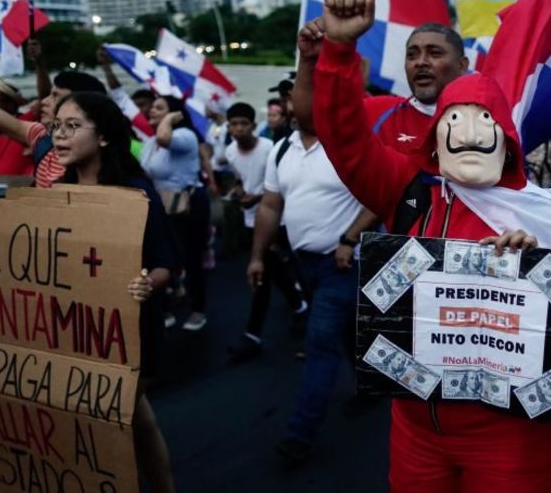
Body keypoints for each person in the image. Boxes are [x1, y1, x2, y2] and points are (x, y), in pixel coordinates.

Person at [309, 0, 551, 492]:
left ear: (507, 137)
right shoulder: (407, 187)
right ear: (434, 137)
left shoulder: (540, 214)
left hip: (507, 437)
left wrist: (537, 268)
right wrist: (338, 52)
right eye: (454, 120)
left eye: (482, 121)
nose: (468, 134)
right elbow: (344, 138)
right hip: (415, 428)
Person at [0, 93, 180, 490]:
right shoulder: (56, 194)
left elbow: (165, 265)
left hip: (125, 336)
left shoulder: (135, 195)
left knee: (109, 428)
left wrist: (145, 283)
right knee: (136, 419)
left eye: (72, 127)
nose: (59, 136)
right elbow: (26, 257)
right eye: (56, 127)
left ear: (103, 137)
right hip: (76, 333)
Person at [248, 38, 378, 465]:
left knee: (320, 340)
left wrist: (350, 238)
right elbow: (270, 205)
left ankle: (300, 433)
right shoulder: (281, 150)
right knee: (343, 332)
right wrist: (255, 255)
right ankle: (369, 383)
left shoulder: (348, 144)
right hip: (304, 262)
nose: (296, 102)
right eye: (291, 96)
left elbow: (379, 196)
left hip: (341, 262)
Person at [0, 60, 106, 188]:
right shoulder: (41, 137)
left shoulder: (126, 186)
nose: (44, 101)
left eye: (55, 96)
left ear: (102, 136)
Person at [221, 102, 304, 362]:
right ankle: (300, 307)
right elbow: (240, 179)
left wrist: (257, 198)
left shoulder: (270, 149)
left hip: (274, 221)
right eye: (233, 124)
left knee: (262, 276)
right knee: (272, 271)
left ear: (253, 126)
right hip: (250, 221)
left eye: (243, 123)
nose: (238, 129)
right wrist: (238, 191)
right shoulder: (230, 152)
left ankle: (253, 334)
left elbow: (278, 186)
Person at [141, 95, 212, 332]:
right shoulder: (150, 142)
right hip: (163, 205)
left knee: (192, 258)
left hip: (188, 204)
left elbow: (165, 137)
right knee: (162, 256)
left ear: (175, 114)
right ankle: (170, 302)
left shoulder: (185, 136)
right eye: (152, 107)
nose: (151, 110)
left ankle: (198, 310)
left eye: (159, 108)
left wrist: (170, 119)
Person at [364, 22, 469, 152]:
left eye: (434, 53)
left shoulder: (487, 123)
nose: (420, 62)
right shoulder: (375, 112)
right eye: (412, 55)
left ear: (462, 66)